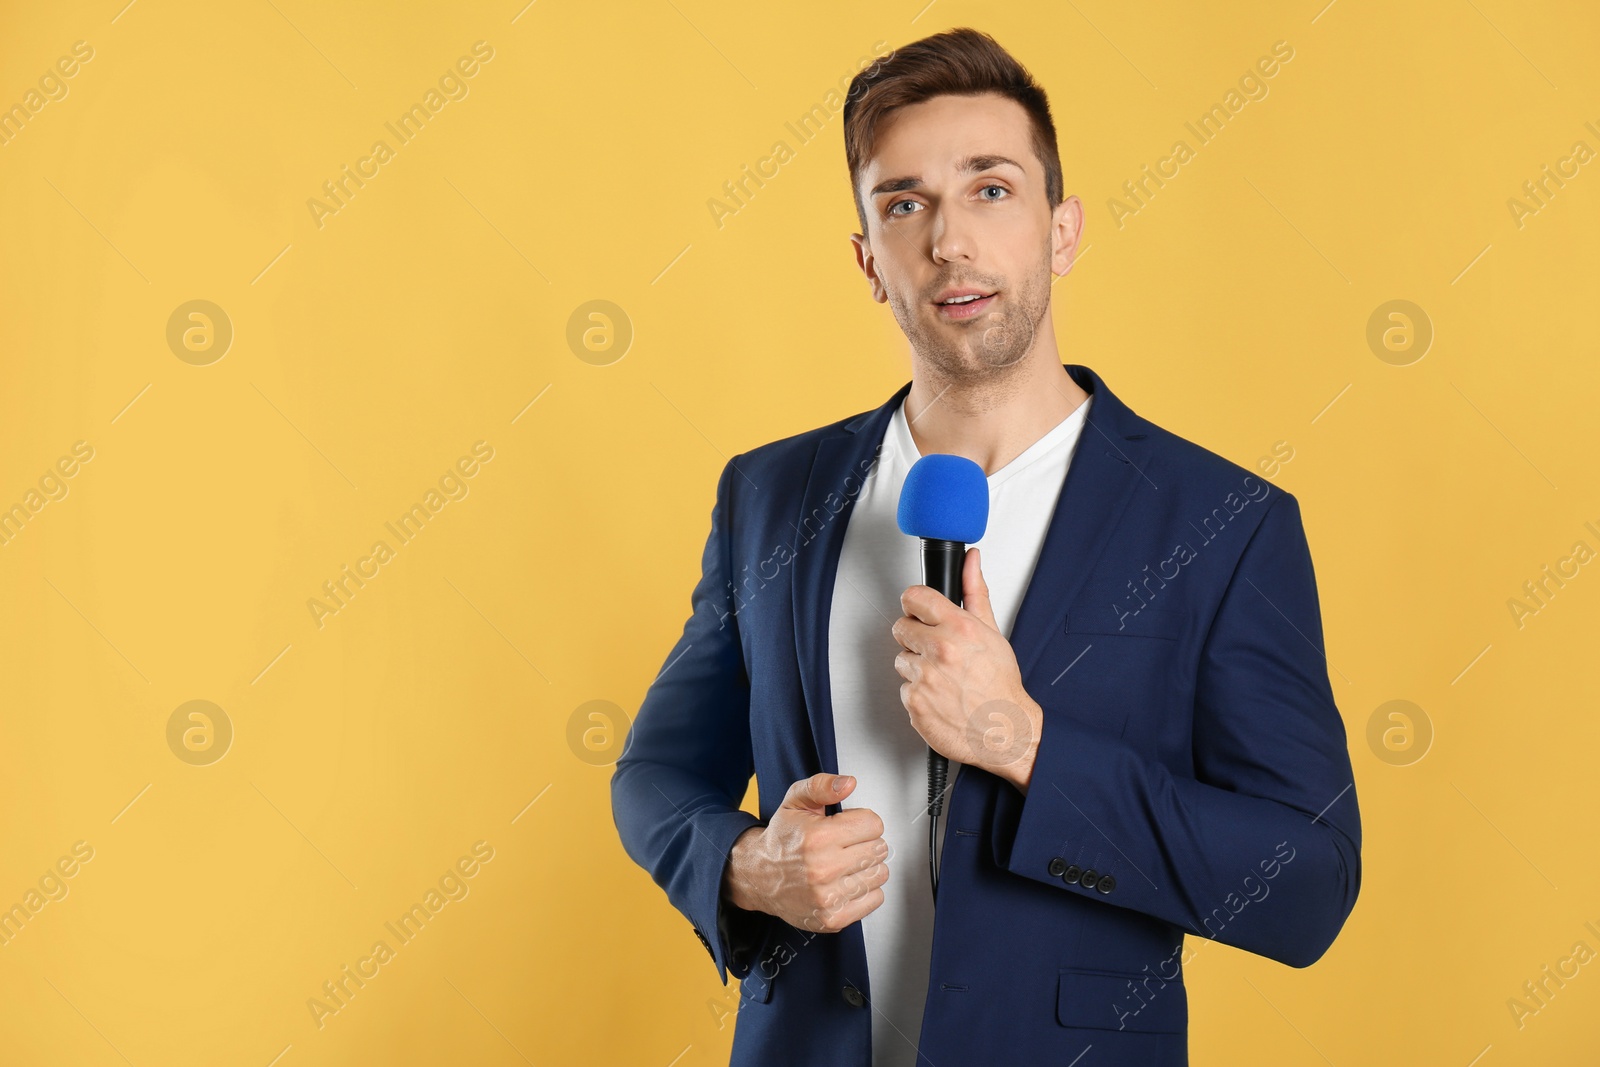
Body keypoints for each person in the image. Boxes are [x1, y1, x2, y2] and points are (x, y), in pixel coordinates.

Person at [611, 27, 1361, 1067]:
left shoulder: (1218, 524)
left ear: (1062, 231)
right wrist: (751, 864)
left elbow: (1305, 882)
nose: (949, 242)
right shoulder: (771, 496)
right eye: (904, 203)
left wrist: (1025, 743)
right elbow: (653, 774)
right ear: (870, 260)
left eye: (991, 190)